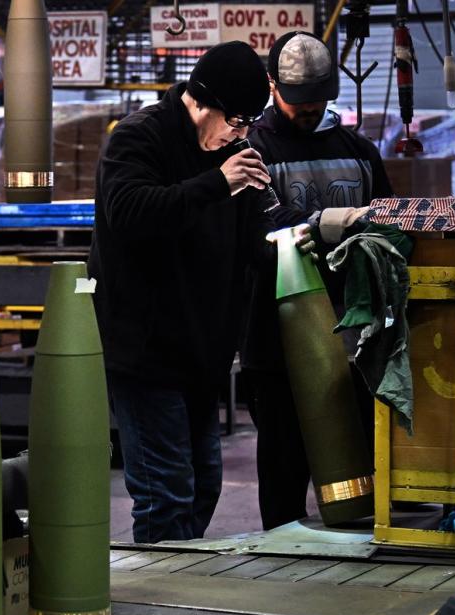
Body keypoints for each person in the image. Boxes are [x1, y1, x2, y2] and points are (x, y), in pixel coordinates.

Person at [89, 41, 316, 544]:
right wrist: (218, 182)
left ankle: (177, 580)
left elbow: (252, 240)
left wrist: (297, 241)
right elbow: (130, 215)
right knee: (167, 492)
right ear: (203, 102)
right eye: (235, 122)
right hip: (145, 353)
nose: (240, 135)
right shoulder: (138, 138)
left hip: (202, 353)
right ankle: (163, 604)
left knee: (204, 487)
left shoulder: (232, 151)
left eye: (247, 126)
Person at [242, 31, 393, 530]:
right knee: (284, 463)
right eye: (298, 100)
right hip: (280, 334)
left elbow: (386, 223)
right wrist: (325, 224)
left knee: (356, 467)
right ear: (272, 86)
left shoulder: (359, 150)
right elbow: (256, 231)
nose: (308, 110)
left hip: (353, 334)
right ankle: (282, 551)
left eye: (318, 101)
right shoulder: (253, 150)